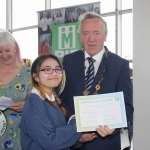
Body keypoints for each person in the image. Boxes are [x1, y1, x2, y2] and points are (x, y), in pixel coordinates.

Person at [60, 12, 134, 150]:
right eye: (86, 33)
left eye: (96, 33)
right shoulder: (68, 61)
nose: (91, 39)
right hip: (75, 141)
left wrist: (114, 126)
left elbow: (127, 107)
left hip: (107, 143)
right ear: (80, 36)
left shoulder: (120, 65)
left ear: (105, 35)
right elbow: (61, 98)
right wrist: (72, 119)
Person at [21, 54, 97, 150]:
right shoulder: (35, 102)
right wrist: (78, 123)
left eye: (58, 69)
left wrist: (78, 140)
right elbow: (49, 142)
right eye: (47, 69)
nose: (54, 73)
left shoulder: (52, 100)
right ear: (36, 77)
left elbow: (56, 140)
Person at [0, 31, 32, 150]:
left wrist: (26, 106)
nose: (4, 55)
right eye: (0, 51)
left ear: (15, 49)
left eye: (7, 50)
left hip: (19, 135)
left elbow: (36, 102)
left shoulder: (27, 73)